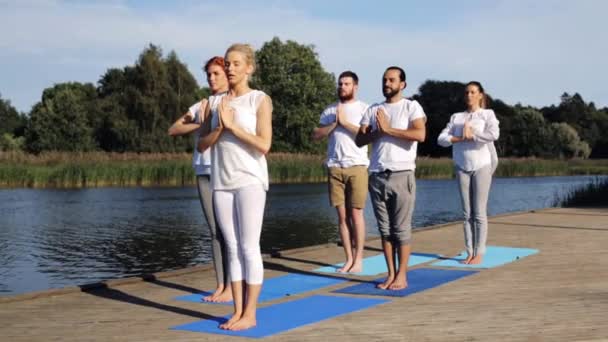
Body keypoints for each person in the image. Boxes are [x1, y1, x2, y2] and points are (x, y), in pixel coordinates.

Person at [198, 43, 272, 331]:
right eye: (227, 63)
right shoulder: (214, 103)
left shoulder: (259, 100)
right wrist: (218, 127)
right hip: (221, 181)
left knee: (248, 247)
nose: (229, 68)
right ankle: (238, 311)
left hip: (250, 180)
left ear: (249, 68)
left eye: (235, 64)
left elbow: (264, 144)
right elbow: (202, 145)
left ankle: (250, 314)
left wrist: (233, 127)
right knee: (231, 246)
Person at [355, 66, 426, 290]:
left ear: (402, 84)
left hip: (401, 174)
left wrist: (389, 128)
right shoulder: (373, 109)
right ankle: (391, 274)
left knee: (401, 229)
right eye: (384, 80)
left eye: (392, 80)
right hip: (377, 175)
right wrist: (379, 131)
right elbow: (359, 139)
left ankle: (402, 275)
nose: (387, 83)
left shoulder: (411, 106)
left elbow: (419, 134)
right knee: (385, 230)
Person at [167, 56, 232, 302]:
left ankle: (233, 286)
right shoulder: (201, 104)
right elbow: (173, 128)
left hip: (226, 170)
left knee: (229, 231)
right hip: (203, 171)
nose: (212, 78)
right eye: (209, 75)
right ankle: (221, 285)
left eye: (216, 73)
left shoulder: (233, 101)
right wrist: (200, 123)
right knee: (215, 231)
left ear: (227, 74)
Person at [312, 71, 369, 273]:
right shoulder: (329, 110)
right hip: (335, 166)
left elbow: (368, 135)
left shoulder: (364, 109)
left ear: (355, 86)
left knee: (356, 215)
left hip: (357, 166)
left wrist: (345, 123)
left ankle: (359, 259)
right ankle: (348, 259)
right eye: (340, 84)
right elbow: (316, 135)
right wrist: (334, 123)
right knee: (342, 217)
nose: (342, 87)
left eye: (346, 84)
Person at [437, 81, 500, 265]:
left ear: (480, 95)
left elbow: (493, 134)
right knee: (466, 214)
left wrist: (473, 136)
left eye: (473, 92)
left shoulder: (487, 114)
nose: (469, 95)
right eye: (467, 92)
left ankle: (479, 252)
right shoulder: (456, 117)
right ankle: (469, 252)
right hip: (462, 167)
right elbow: (441, 139)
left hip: (482, 166)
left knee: (479, 212)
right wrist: (458, 138)